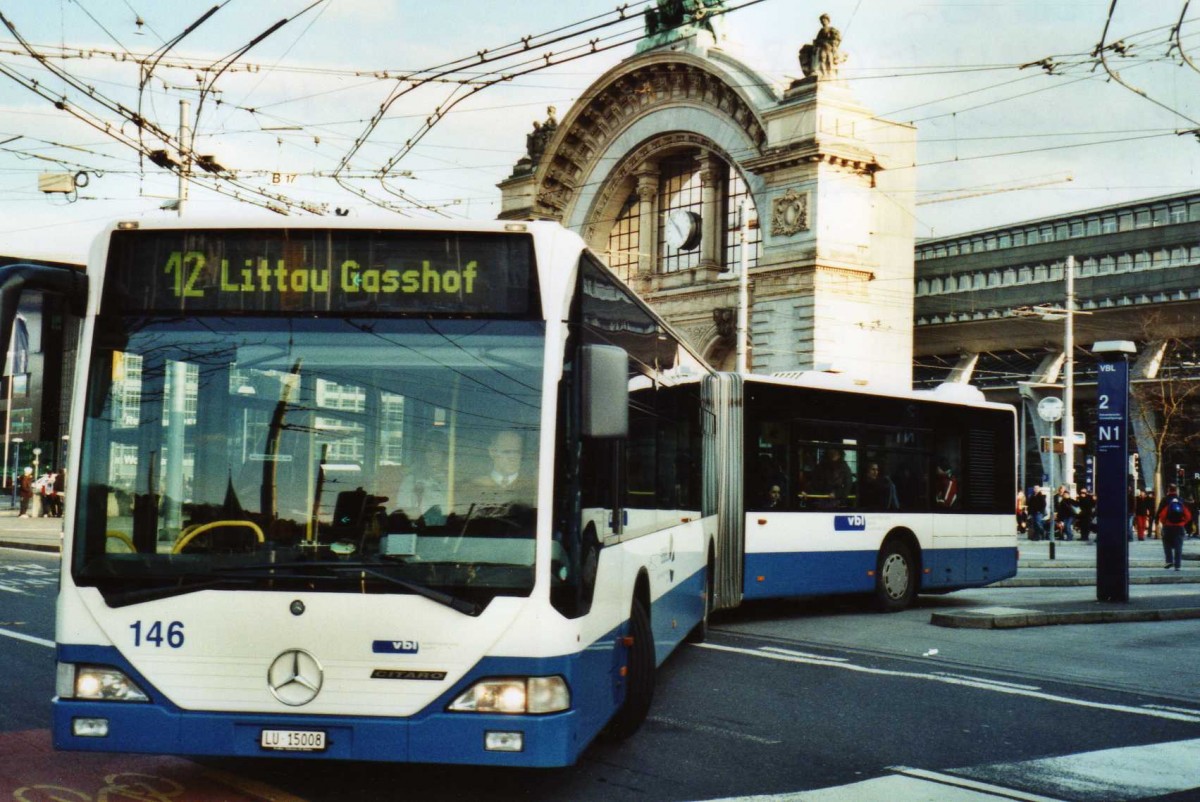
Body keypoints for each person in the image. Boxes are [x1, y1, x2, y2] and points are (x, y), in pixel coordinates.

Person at [395, 442, 450, 524]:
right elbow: (404, 508)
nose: (433, 455)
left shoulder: (451, 479)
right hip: (420, 528)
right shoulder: (411, 479)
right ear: (424, 454)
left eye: (438, 451)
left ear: (444, 455)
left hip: (448, 529)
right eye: (429, 451)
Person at [1155, 483, 1191, 570]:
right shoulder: (1181, 500)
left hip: (1168, 526)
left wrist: (1161, 522)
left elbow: (1161, 513)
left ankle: (1169, 561)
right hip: (1179, 527)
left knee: (1166, 543)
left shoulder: (1165, 500)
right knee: (1178, 546)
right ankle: (1177, 565)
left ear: (1168, 490)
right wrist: (1183, 522)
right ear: (1176, 490)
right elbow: (1188, 515)